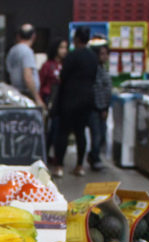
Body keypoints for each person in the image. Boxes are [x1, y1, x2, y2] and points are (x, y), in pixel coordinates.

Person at [53, 26, 98, 177]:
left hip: (69, 99)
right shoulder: (93, 56)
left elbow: (63, 77)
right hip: (86, 100)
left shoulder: (72, 56)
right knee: (81, 133)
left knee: (63, 132)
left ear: (76, 38)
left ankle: (59, 166)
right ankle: (80, 165)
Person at [39, 38, 68, 161]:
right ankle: (44, 155)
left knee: (59, 130)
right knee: (49, 130)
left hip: (62, 102)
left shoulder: (67, 65)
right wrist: (40, 101)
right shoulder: (47, 66)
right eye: (61, 47)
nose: (64, 51)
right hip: (48, 100)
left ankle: (57, 156)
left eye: (66, 48)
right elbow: (40, 84)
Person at [6, 24, 46, 107]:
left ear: (18, 36)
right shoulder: (27, 52)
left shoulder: (12, 51)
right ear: (33, 36)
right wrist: (37, 98)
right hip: (27, 95)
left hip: (15, 93)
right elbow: (28, 77)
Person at [88, 44, 112, 171]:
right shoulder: (94, 70)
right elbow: (98, 91)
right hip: (96, 108)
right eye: (102, 54)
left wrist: (106, 108)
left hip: (103, 108)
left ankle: (94, 155)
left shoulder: (104, 69)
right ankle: (95, 158)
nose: (105, 56)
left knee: (102, 134)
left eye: (106, 54)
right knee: (97, 135)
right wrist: (101, 108)